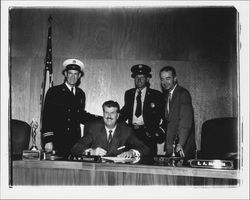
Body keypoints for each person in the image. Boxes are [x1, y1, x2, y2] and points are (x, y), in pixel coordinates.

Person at [41, 58, 100, 158]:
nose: (73, 77)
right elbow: (47, 116)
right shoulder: (54, 91)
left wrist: (101, 118)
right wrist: (48, 140)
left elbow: (81, 115)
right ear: (65, 74)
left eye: (76, 74)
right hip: (57, 140)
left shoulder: (80, 94)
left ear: (80, 75)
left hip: (75, 141)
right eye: (70, 73)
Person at [71, 100, 150, 158]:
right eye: (106, 112)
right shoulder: (94, 129)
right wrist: (91, 152)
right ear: (103, 114)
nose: (109, 116)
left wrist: (132, 152)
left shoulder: (126, 130)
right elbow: (76, 148)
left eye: (112, 113)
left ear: (118, 116)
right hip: (97, 170)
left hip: (118, 171)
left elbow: (145, 149)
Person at [119, 64, 166, 156]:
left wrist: (158, 133)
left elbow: (164, 116)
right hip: (132, 134)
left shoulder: (156, 95)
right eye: (137, 77)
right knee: (129, 160)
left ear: (147, 79)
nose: (139, 79)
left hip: (148, 135)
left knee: (149, 162)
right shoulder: (129, 94)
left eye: (142, 77)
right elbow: (124, 113)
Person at [159, 66, 196, 158]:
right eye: (162, 79)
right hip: (172, 146)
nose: (164, 82)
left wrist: (180, 144)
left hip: (182, 148)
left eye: (168, 78)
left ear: (175, 78)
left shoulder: (183, 94)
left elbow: (185, 122)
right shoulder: (168, 95)